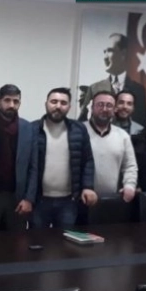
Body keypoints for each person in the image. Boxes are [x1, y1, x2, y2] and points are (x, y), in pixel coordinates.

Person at [32, 88, 97, 230]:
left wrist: (88, 186)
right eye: (54, 101)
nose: (58, 106)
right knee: (36, 239)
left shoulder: (79, 129)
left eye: (63, 103)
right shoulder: (32, 129)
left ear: (69, 107)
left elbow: (88, 160)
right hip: (39, 200)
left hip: (69, 200)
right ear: (46, 104)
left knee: (66, 240)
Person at [0, 84, 38, 231]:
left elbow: (34, 167)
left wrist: (29, 198)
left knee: (16, 240)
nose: (11, 105)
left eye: (16, 101)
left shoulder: (28, 128)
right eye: (7, 100)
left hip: (18, 197)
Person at [79, 33, 146, 124]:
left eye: (109, 51)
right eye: (104, 52)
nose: (105, 57)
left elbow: (142, 123)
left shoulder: (138, 90)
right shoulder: (94, 88)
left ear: (123, 53)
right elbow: (82, 122)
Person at [84, 91, 138, 202]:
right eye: (100, 104)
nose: (104, 109)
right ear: (92, 107)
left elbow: (130, 166)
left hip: (111, 199)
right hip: (81, 198)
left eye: (109, 105)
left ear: (114, 110)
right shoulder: (79, 131)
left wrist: (129, 185)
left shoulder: (123, 136)